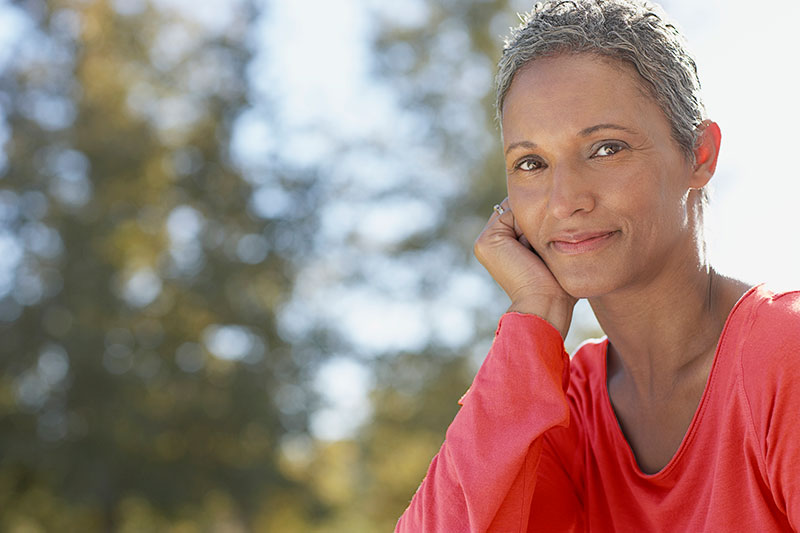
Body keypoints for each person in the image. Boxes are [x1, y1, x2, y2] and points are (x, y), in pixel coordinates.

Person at [395, 1, 800, 531]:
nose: (565, 201)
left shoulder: (783, 358)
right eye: (532, 163)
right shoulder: (563, 406)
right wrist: (534, 316)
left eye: (606, 148)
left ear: (699, 154)